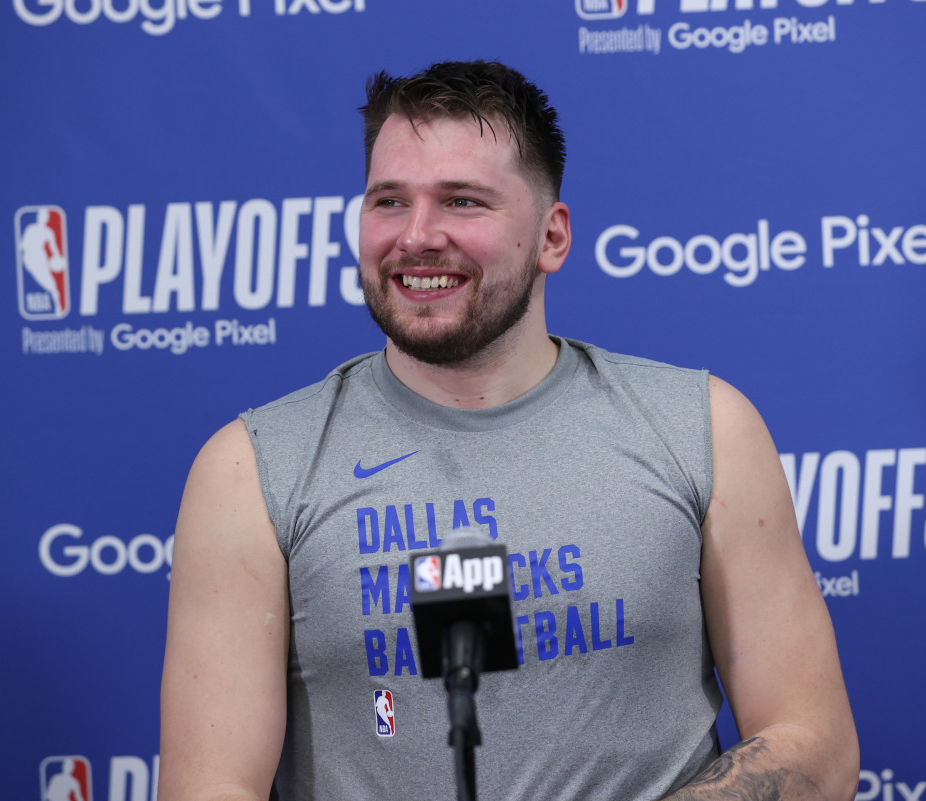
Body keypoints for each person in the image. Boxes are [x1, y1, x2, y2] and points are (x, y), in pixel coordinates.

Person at [158, 60, 858, 801]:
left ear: (552, 236)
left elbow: (815, 746)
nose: (417, 236)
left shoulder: (704, 428)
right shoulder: (252, 470)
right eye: (388, 200)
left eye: (461, 201)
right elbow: (209, 786)